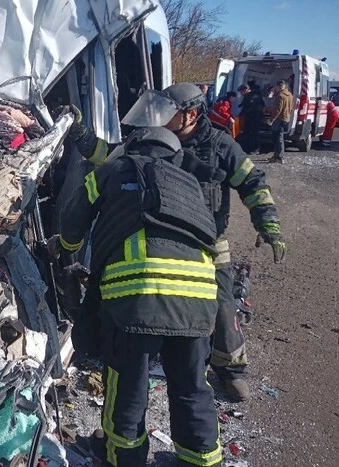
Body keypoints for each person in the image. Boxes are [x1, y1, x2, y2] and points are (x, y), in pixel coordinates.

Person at [59, 83, 286, 402]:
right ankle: (150, 351)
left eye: (167, 113)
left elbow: (252, 183)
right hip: (157, 238)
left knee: (221, 306)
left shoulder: (219, 145)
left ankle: (230, 368)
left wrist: (268, 223)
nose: (157, 118)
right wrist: (80, 133)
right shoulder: (146, 144)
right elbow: (106, 155)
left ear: (191, 115)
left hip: (207, 243)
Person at [50, 123, 224, 467]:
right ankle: (202, 460)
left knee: (128, 387)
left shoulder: (114, 169)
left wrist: (64, 248)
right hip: (200, 300)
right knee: (192, 388)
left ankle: (123, 459)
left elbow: (74, 217)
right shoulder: (190, 183)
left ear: (133, 146)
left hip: (137, 298)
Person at [267, 80, 294, 163]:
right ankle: (277, 156)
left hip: (279, 119)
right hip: (286, 118)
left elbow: (277, 110)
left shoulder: (280, 96)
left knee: (278, 138)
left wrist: (271, 120)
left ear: (279, 86)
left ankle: (279, 157)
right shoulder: (290, 95)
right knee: (279, 137)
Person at [238, 83, 265, 154]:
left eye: (242, 91)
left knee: (254, 133)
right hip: (249, 117)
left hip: (255, 117)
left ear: (246, 89)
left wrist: (244, 112)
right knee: (247, 133)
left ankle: (256, 149)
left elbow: (250, 107)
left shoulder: (254, 96)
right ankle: (247, 148)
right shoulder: (248, 96)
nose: (241, 93)